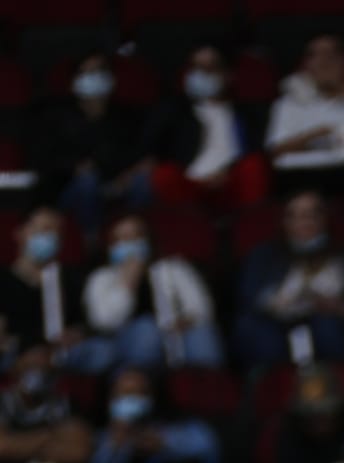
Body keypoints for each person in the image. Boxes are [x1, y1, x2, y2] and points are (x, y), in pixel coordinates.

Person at [71, 212, 223, 376]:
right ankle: (140, 381)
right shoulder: (101, 278)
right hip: (126, 343)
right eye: (123, 238)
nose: (130, 243)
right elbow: (104, 322)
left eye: (136, 236)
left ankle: (205, 387)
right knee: (146, 329)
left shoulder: (173, 267)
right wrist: (127, 284)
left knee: (203, 334)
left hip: (176, 334)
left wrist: (184, 321)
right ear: (111, 247)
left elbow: (201, 306)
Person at [235, 189, 344, 369]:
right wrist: (280, 300)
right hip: (274, 320)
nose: (302, 222)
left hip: (327, 318)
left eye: (309, 215)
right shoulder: (264, 255)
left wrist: (339, 306)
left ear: (323, 219)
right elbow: (250, 297)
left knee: (330, 330)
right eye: (294, 216)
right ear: (284, 221)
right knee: (255, 331)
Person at [265, 34, 344, 210]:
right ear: (307, 65)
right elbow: (276, 149)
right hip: (304, 173)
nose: (324, 61)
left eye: (331, 55)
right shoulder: (288, 103)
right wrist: (313, 136)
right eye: (316, 55)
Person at [140, 46, 269, 213]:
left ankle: (252, 224)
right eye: (197, 68)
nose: (202, 75)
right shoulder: (175, 111)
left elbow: (255, 149)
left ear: (227, 75)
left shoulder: (246, 113)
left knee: (254, 166)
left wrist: (227, 171)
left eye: (210, 68)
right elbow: (154, 147)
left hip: (231, 182)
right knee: (164, 174)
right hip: (189, 184)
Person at [41, 54, 148, 246]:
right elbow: (46, 159)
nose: (94, 77)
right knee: (87, 182)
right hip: (72, 189)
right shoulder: (57, 117)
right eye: (87, 72)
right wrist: (75, 166)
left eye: (99, 71)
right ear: (75, 81)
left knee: (142, 180)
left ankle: (133, 235)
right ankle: (90, 241)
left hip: (115, 184)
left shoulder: (126, 118)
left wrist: (128, 173)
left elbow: (137, 155)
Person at [85, 364, 220, 463]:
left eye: (140, 393)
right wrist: (114, 447)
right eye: (124, 393)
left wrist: (164, 442)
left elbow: (206, 443)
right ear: (109, 398)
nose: (131, 400)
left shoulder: (175, 426)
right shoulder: (94, 436)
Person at [0, 351, 92, 463]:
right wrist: (52, 437)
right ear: (15, 368)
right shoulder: (3, 401)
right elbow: (3, 447)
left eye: (41, 368)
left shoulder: (66, 404)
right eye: (29, 368)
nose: (34, 376)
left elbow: (78, 453)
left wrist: (18, 446)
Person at [0, 211, 76, 359]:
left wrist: (75, 334)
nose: (47, 237)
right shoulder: (3, 278)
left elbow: (78, 325)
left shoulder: (69, 280)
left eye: (53, 232)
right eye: (41, 229)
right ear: (19, 233)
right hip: (12, 354)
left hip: (57, 356)